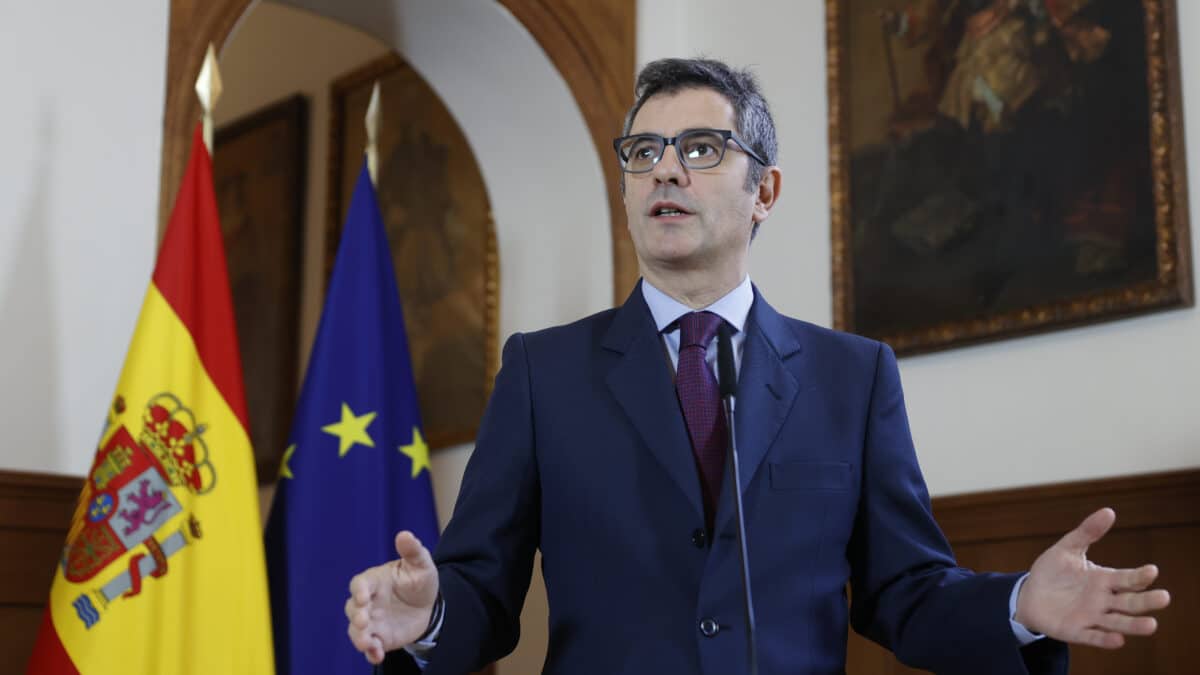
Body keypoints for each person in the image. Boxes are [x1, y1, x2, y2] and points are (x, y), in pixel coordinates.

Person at [344, 58, 1170, 674]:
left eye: (701, 148)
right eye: (643, 151)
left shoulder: (854, 376)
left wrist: (1020, 604)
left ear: (764, 190)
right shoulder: (542, 373)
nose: (664, 168)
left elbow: (906, 591)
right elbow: (484, 593)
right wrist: (434, 611)